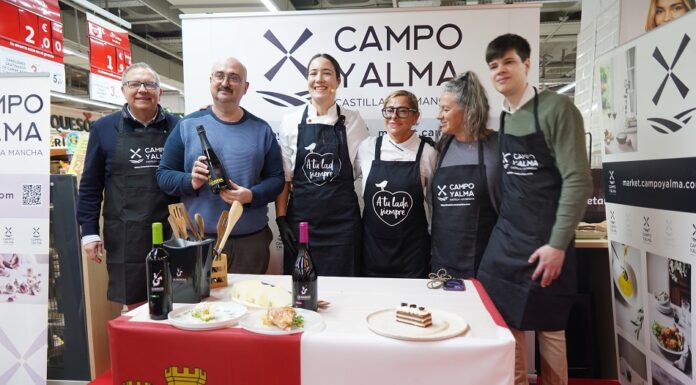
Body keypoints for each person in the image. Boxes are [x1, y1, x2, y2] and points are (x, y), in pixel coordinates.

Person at [477, 34, 592, 385]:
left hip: (546, 238)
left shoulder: (558, 109)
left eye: (508, 62)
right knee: (504, 320)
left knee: (549, 327)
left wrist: (558, 245)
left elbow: (578, 181)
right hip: (508, 238)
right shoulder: (506, 115)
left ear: (527, 65)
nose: (500, 71)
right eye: (494, 66)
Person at [156, 57, 284, 274]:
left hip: (249, 244)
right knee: (198, 308)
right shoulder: (187, 126)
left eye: (234, 78)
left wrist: (250, 196)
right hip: (197, 242)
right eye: (220, 75)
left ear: (245, 87)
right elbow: (163, 176)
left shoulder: (261, 130)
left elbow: (277, 180)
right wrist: (190, 181)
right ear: (210, 81)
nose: (225, 82)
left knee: (248, 306)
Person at [77, 62, 180, 306]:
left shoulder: (177, 127)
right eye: (135, 84)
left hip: (172, 230)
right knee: (134, 305)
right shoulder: (104, 128)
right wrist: (89, 232)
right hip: (125, 234)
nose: (142, 90)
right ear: (123, 90)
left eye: (150, 84)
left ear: (160, 92)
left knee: (176, 300)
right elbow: (91, 185)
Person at [276, 53, 369, 276]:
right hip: (302, 223)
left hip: (343, 225)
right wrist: (280, 219)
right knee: (302, 290)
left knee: (344, 290)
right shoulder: (291, 121)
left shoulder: (353, 121)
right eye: (313, 73)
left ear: (338, 81)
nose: (319, 79)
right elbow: (285, 177)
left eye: (327, 73)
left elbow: (364, 169)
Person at [356, 90, 436, 278]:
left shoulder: (427, 153)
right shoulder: (367, 148)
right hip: (372, 249)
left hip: (412, 253)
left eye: (402, 111)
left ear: (415, 116)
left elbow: (434, 204)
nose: (394, 116)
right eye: (389, 110)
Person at [430, 72, 500, 279]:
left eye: (445, 109)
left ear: (469, 109)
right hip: (443, 262)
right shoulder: (442, 147)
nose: (439, 115)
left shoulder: (498, 147)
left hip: (486, 262)